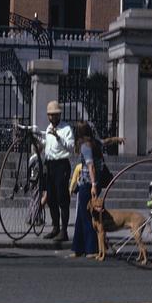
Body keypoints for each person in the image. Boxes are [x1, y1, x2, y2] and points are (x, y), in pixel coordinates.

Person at [69, 121, 104, 258]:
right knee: (81, 216)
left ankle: (90, 249)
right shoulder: (95, 143)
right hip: (92, 183)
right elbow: (105, 142)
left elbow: (91, 167)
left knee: (87, 217)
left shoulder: (85, 146)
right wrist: (117, 140)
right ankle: (78, 248)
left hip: (88, 184)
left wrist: (93, 185)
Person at [42, 100, 75, 242]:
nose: (52, 118)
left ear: (59, 115)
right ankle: (55, 227)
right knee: (51, 198)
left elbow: (70, 147)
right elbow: (47, 145)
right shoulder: (48, 128)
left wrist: (58, 137)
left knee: (63, 198)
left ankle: (64, 230)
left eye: (55, 115)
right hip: (50, 164)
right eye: (50, 115)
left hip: (61, 164)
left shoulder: (66, 128)